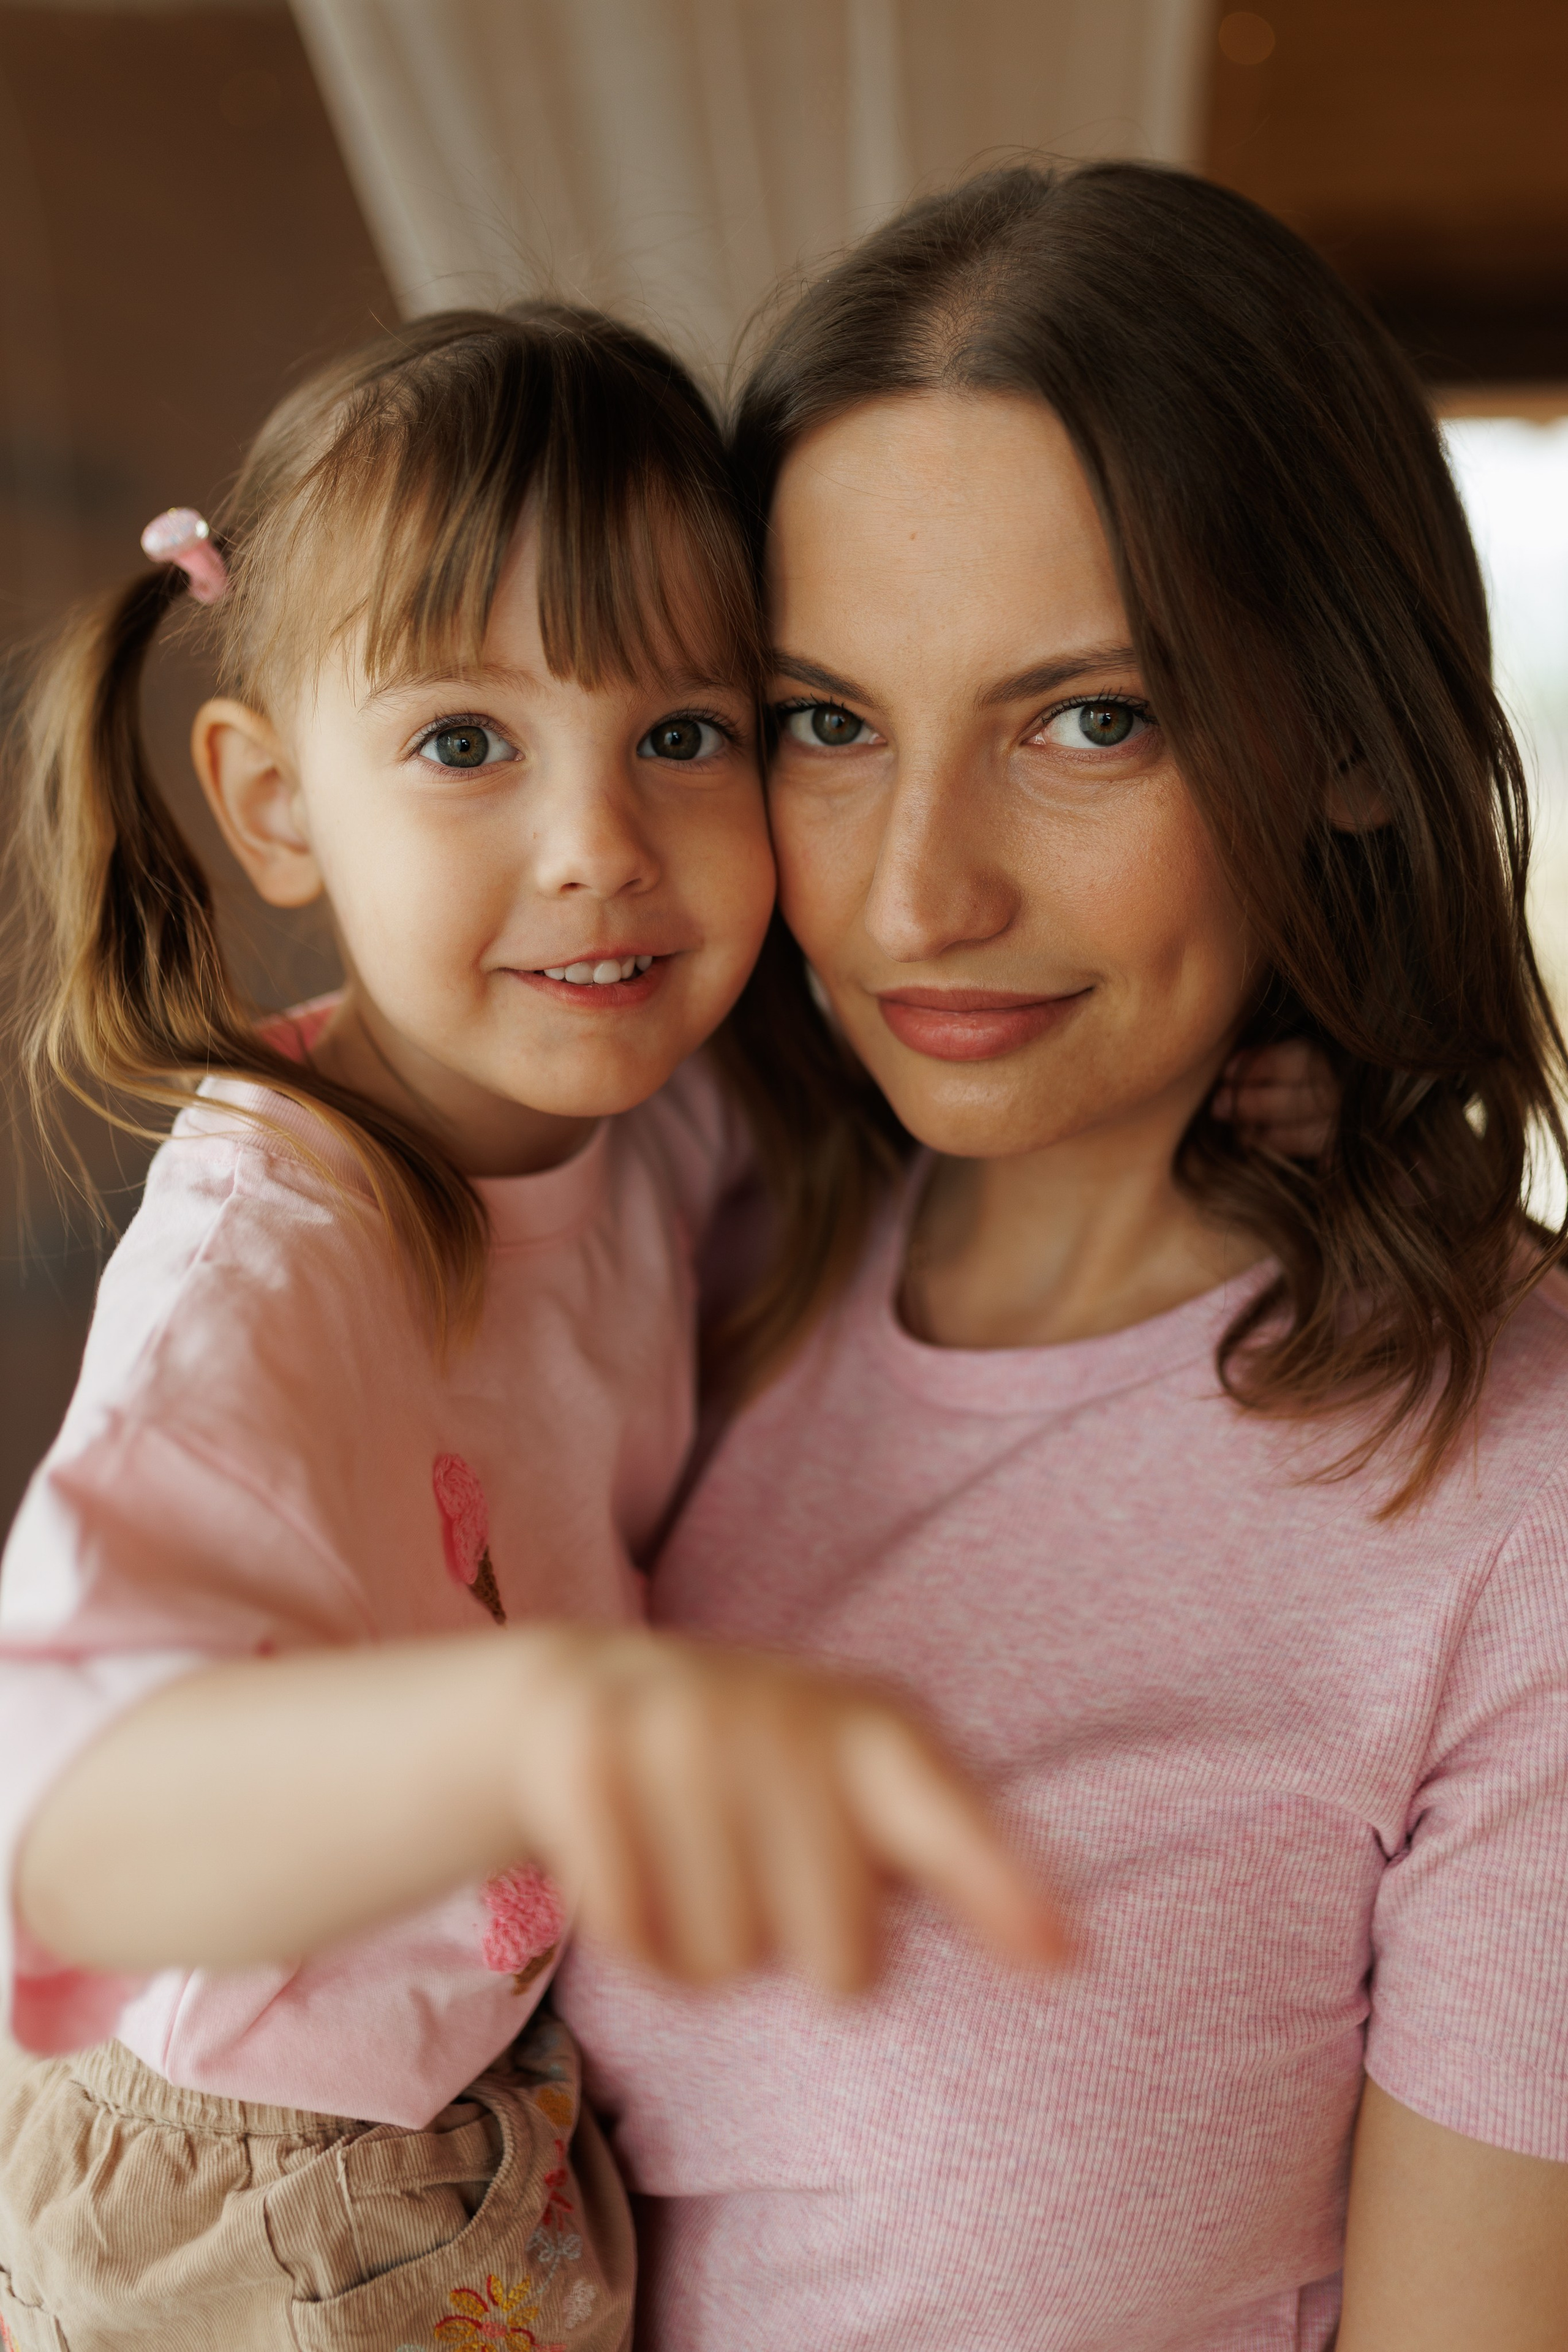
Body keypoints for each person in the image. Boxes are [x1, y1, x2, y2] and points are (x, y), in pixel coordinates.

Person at [555, 164, 1568, 2352]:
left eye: (1087, 719)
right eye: (828, 722)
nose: (920, 896)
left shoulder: (1513, 1496)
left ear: (1356, 753)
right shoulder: (654, 1258)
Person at [0, 302, 1066, 2352]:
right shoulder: (272, 1256)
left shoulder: (653, 1113)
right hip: (256, 2189)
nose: (601, 847)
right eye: (465, 743)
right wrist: (559, 1733)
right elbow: (62, 1822)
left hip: (480, 2105)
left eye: (688, 734)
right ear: (274, 799)